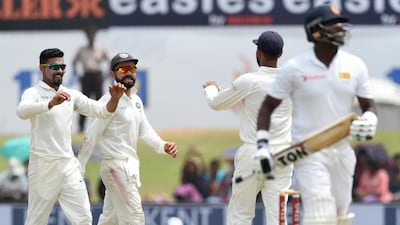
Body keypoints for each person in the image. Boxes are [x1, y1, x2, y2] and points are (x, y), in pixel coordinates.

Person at [255, 5, 378, 225]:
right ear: (315, 31)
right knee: (320, 213)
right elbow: (267, 108)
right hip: (309, 151)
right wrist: (262, 144)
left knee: (340, 216)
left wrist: (370, 118)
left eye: (340, 24)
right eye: (332, 25)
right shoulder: (295, 68)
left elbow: (369, 105)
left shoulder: (355, 65)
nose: (339, 29)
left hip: (342, 150)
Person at [16, 48, 126, 225]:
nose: (60, 70)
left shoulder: (70, 94)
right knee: (36, 220)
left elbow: (100, 111)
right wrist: (50, 104)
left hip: (68, 165)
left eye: (62, 66)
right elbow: (21, 111)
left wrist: (114, 100)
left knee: (83, 217)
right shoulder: (34, 93)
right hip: (43, 166)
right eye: (54, 67)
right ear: (42, 68)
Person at [203, 31, 293, 225]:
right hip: (283, 154)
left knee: (241, 215)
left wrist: (211, 89)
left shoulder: (249, 80)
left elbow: (216, 104)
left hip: (253, 152)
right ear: (281, 53)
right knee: (278, 218)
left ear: (259, 52)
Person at [78, 52, 178, 225]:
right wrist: (79, 168)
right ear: (112, 74)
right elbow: (91, 134)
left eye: (131, 68)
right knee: (135, 218)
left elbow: (145, 130)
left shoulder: (136, 100)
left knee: (110, 220)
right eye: (123, 69)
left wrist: (163, 146)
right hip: (115, 168)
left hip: (128, 168)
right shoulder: (109, 100)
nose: (128, 72)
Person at [72, 26, 110, 132]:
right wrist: (77, 75)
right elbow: (74, 62)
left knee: (100, 102)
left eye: (92, 34)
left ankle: (101, 127)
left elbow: (109, 61)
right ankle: (81, 128)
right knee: (83, 102)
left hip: (97, 76)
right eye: (89, 35)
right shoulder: (82, 49)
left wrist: (106, 75)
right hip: (86, 76)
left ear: (95, 36)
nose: (91, 37)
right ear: (86, 36)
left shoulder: (100, 48)